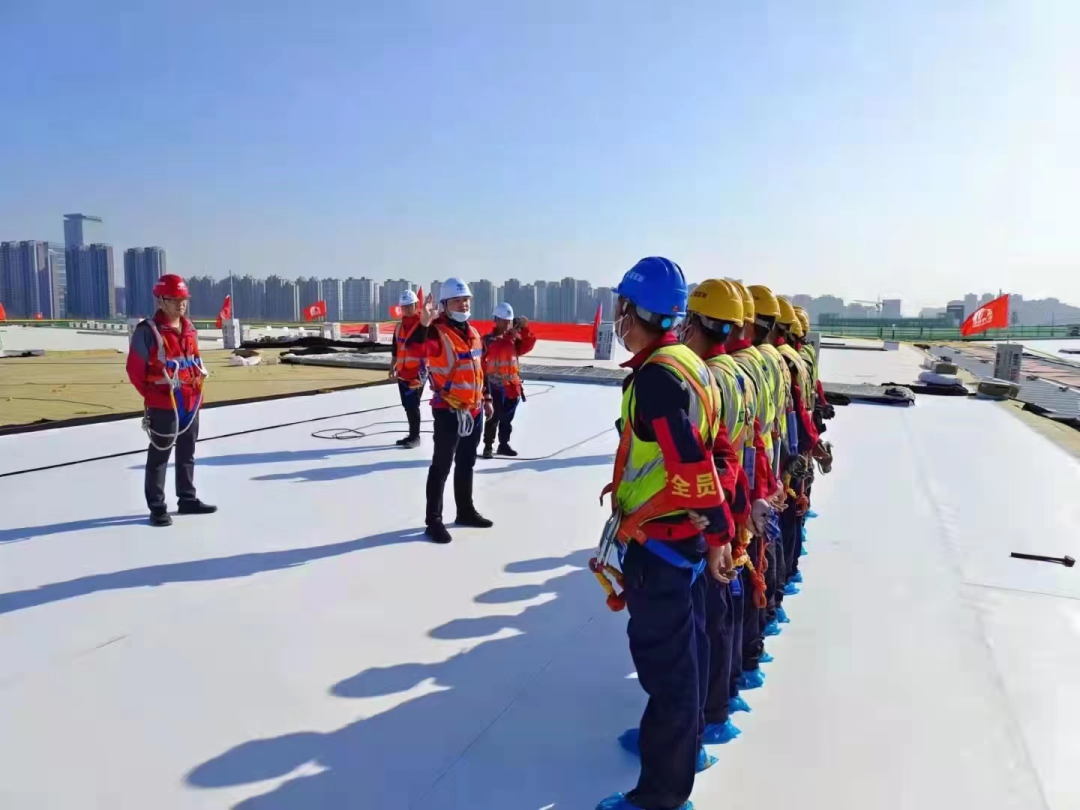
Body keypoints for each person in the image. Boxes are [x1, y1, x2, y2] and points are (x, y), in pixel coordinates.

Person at [598, 257, 735, 810]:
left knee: (668, 670)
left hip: (661, 547)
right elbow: (717, 450)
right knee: (688, 653)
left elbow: (690, 462)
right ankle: (681, 746)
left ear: (632, 310)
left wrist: (718, 532)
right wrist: (717, 528)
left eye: (622, 307)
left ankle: (661, 795)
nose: (618, 318)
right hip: (681, 541)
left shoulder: (657, 378)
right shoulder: (689, 364)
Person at [679, 279, 760, 747]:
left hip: (713, 511)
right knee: (725, 609)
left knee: (707, 620)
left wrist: (718, 527)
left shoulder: (708, 377)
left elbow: (706, 458)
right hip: (737, 497)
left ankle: (709, 716)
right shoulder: (743, 372)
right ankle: (726, 693)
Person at [125, 274, 216, 527]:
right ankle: (157, 507)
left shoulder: (189, 329)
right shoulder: (148, 331)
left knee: (187, 452)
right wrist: (153, 395)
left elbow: (194, 360)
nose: (180, 304)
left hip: (190, 403)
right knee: (159, 456)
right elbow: (134, 370)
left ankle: (187, 498)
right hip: (164, 404)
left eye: (183, 299)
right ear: (160, 300)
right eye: (174, 299)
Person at [727, 281, 781, 689]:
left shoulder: (730, 370)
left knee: (736, 577)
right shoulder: (769, 361)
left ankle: (737, 667)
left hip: (740, 484)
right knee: (756, 561)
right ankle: (754, 641)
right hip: (762, 467)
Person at [414, 278, 494, 544]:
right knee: (442, 466)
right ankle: (433, 521)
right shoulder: (436, 332)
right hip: (449, 410)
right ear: (445, 305)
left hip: (474, 410)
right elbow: (416, 349)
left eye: (466, 300)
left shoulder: (473, 332)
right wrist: (424, 323)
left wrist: (486, 397)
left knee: (467, 462)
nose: (464, 304)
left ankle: (465, 511)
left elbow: (480, 369)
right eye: (457, 300)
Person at [481, 302, 536, 458]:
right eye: (504, 321)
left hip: (512, 386)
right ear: (496, 320)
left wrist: (524, 329)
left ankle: (503, 444)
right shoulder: (487, 340)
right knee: (493, 417)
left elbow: (528, 344)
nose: (507, 324)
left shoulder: (514, 340)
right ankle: (488, 446)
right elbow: (482, 362)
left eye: (509, 321)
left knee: (507, 419)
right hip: (494, 385)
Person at [390, 289, 426, 448]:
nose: (407, 309)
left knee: (413, 405)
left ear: (416, 305)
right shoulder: (399, 327)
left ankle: (415, 436)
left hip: (417, 373)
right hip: (403, 372)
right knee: (406, 405)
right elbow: (395, 349)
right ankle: (411, 434)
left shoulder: (422, 325)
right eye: (404, 306)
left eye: (410, 305)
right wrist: (392, 366)